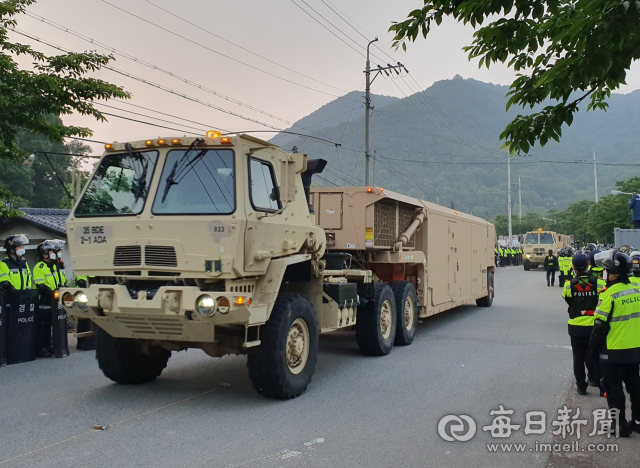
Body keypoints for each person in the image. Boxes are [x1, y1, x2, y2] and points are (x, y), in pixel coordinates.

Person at [589, 250, 640, 437]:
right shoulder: (638, 286)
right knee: (635, 386)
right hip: (636, 350)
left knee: (614, 389)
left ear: (613, 274)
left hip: (614, 351)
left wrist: (591, 351)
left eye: (607, 271)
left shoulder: (609, 294)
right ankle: (637, 421)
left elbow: (599, 327)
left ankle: (620, 426)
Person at [563, 254, 606, 396]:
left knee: (578, 357)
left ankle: (581, 386)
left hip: (576, 326)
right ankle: (596, 380)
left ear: (574, 267)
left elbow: (567, 298)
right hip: (595, 326)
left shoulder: (568, 285)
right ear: (588, 265)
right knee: (596, 355)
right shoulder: (600, 284)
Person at [32, 240, 61, 357]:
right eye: (50, 251)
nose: (53, 253)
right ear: (44, 254)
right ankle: (41, 347)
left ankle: (48, 345)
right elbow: (41, 286)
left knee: (50, 324)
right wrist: (53, 293)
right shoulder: (39, 267)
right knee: (43, 325)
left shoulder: (54, 265)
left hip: (54, 299)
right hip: (44, 300)